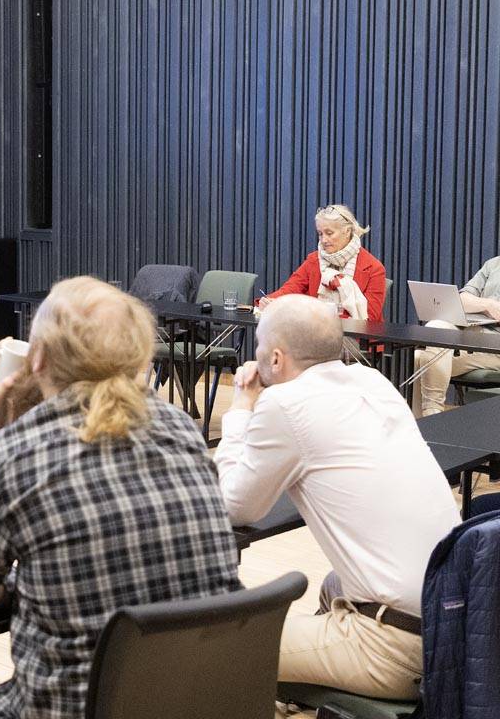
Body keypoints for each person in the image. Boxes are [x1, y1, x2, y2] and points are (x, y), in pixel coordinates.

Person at [0, 277, 242, 719]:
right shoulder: (179, 428)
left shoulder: (13, 453)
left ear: (36, 357)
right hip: (188, 699)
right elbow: (123, 565)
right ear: (139, 356)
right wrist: (12, 591)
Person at [213, 296, 459, 715]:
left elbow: (236, 506)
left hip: (395, 646)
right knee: (333, 584)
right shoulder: (373, 383)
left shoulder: (283, 405)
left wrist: (239, 409)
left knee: (217, 647)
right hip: (451, 623)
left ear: (275, 357)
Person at [259, 204, 387, 321]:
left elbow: (371, 317)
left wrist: (325, 317)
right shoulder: (313, 260)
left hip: (359, 340)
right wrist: (271, 301)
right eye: (320, 234)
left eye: (329, 233)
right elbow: (291, 288)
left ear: (347, 232)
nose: (324, 240)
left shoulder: (374, 268)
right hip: (318, 334)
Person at [413, 256, 500, 416]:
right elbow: (462, 299)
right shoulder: (493, 264)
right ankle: (430, 417)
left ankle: (428, 419)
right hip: (475, 335)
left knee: (422, 357)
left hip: (496, 348)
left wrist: (480, 305)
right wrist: (489, 305)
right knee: (437, 325)